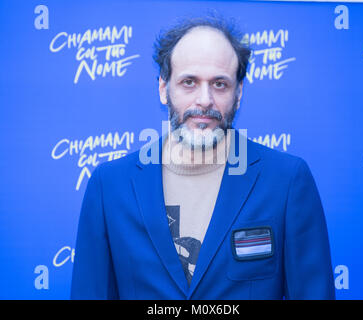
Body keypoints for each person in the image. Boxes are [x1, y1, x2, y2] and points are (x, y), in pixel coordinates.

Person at [70, 16, 335, 300]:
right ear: (163, 88)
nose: (205, 100)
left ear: (239, 93)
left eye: (220, 84)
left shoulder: (286, 181)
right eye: (189, 82)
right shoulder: (109, 186)